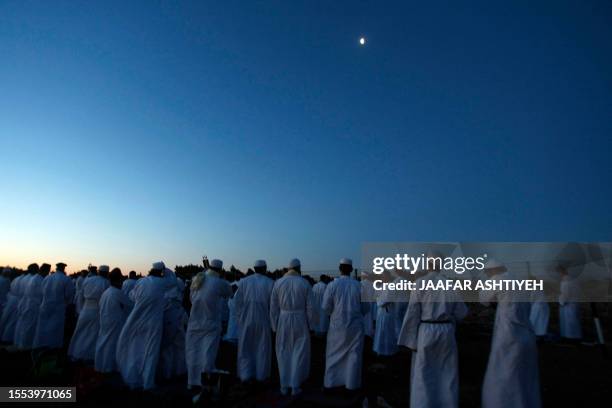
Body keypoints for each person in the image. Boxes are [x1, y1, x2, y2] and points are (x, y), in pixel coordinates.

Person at [397, 253, 468, 408]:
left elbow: (412, 313)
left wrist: (411, 340)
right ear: (441, 265)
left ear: (428, 265)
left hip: (426, 331)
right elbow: (462, 312)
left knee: (424, 371)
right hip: (447, 330)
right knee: (447, 370)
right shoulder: (450, 285)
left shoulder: (420, 283)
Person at [480, 259, 541, 408]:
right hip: (526, 332)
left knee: (503, 373)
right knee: (523, 375)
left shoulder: (497, 280)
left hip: (507, 334)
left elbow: (484, 299)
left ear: (492, 270)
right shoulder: (520, 281)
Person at [116, 262, 166, 389]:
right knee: (151, 352)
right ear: (161, 272)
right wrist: (165, 270)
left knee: (136, 347)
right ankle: (147, 382)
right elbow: (173, 280)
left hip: (138, 320)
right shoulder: (164, 282)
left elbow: (132, 297)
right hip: (154, 323)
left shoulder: (141, 282)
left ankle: (134, 373)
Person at [269, 258, 315, 396]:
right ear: (299, 268)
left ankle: (284, 385)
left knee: (283, 351)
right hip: (300, 320)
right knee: (299, 351)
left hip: (283, 320)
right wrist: (311, 325)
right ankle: (295, 385)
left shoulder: (278, 283)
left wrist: (274, 326)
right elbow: (311, 308)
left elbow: (273, 307)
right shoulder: (304, 283)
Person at [321, 258, 368, 391]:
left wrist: (335, 315)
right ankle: (351, 385)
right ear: (351, 270)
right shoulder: (359, 286)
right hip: (355, 327)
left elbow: (325, 307)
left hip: (337, 326)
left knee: (333, 354)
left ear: (339, 268)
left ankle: (331, 383)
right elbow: (366, 308)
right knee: (353, 356)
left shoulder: (332, 285)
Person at [185, 259, 231, 389]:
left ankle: (192, 382)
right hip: (211, 324)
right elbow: (229, 293)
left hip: (194, 322)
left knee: (193, 352)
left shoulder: (197, 279)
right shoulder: (219, 282)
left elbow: (191, 299)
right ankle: (205, 383)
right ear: (220, 270)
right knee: (208, 354)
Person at [234, 260, 274, 383]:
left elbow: (237, 301)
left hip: (246, 320)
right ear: (265, 268)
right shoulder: (270, 283)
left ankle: (246, 375)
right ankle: (261, 375)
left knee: (246, 347)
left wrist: (241, 318)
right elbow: (273, 305)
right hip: (263, 320)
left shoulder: (244, 282)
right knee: (262, 347)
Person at [95, 268, 133, 373]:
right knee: (111, 344)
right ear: (118, 280)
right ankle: (108, 367)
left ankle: (100, 365)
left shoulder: (106, 292)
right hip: (114, 322)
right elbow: (130, 305)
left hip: (105, 320)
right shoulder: (117, 292)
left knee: (103, 342)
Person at [68, 265, 110, 361]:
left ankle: (76, 353)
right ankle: (88, 356)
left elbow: (81, 296)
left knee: (80, 332)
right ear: (106, 273)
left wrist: (80, 309)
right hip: (97, 310)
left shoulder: (87, 280)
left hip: (85, 309)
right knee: (92, 335)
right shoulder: (106, 282)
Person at [33, 262, 75, 349]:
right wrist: (67, 303)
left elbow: (42, 291)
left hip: (45, 305)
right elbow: (69, 295)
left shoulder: (47, 278)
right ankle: (53, 347)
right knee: (55, 329)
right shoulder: (66, 279)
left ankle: (41, 345)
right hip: (58, 307)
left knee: (43, 327)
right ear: (63, 269)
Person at [159, 267, 187, 380]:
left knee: (168, 349)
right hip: (178, 317)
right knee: (179, 346)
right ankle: (179, 370)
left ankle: (168, 372)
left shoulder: (164, 288)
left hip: (170, 318)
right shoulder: (178, 284)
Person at [14, 263, 48, 349]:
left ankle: (20, 343)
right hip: (34, 305)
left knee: (24, 324)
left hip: (27, 303)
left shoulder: (33, 278)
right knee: (30, 326)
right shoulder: (39, 279)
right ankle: (26, 346)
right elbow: (41, 294)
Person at [373, 270, 398, 356]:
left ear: (387, 276)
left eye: (384, 276)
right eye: (382, 276)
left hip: (387, 312)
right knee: (380, 332)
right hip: (381, 313)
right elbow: (377, 297)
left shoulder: (391, 286)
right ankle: (380, 350)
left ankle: (388, 351)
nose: (382, 278)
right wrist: (379, 300)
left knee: (387, 332)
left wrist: (379, 301)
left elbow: (386, 300)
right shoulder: (382, 286)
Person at [1, 268, 26, 343]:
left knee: (4, 319)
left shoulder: (12, 279)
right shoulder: (6, 280)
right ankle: (6, 338)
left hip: (8, 300)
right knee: (11, 321)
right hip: (9, 301)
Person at [558, 265, 582, 341]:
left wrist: (561, 302)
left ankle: (572, 339)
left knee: (569, 322)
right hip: (574, 302)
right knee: (573, 321)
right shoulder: (573, 279)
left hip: (569, 304)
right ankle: (575, 337)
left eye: (559, 272)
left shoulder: (565, 281)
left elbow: (565, 294)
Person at [360, 272, 376, 340]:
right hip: (371, 304)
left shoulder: (360, 283)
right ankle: (369, 333)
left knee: (363, 319)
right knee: (369, 319)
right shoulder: (372, 284)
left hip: (362, 305)